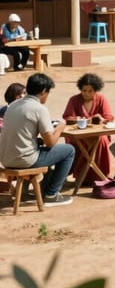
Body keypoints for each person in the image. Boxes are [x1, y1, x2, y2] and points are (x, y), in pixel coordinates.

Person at [0, 73, 74, 206]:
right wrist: (61, 126)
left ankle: (25, 192)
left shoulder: (12, 106)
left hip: (5, 158)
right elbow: (51, 142)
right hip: (24, 160)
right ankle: (52, 194)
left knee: (37, 150)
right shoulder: (39, 109)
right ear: (44, 91)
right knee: (68, 150)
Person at [62, 73, 115, 184]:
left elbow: (109, 117)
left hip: (98, 132)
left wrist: (101, 119)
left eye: (90, 91)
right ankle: (82, 176)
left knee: (102, 140)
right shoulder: (74, 100)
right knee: (79, 143)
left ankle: (100, 175)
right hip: (78, 133)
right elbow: (67, 117)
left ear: (95, 90)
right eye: (84, 90)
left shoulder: (101, 99)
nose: (86, 93)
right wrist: (80, 120)